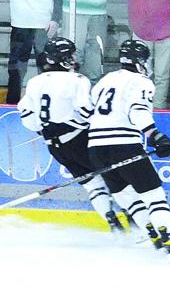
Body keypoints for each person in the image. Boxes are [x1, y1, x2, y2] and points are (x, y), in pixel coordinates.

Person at [17, 37, 130, 234]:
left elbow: (27, 117)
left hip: (55, 148)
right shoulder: (77, 80)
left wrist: (47, 129)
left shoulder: (34, 82)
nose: (74, 58)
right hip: (79, 140)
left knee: (93, 184)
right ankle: (135, 220)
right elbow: (86, 111)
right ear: (63, 58)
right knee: (115, 177)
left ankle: (113, 224)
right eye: (71, 54)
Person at [87, 39, 170, 253]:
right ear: (140, 61)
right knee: (153, 194)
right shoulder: (141, 82)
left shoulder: (105, 80)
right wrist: (154, 134)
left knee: (125, 195)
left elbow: (89, 110)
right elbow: (137, 110)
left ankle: (152, 235)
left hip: (95, 148)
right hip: (123, 145)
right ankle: (168, 238)